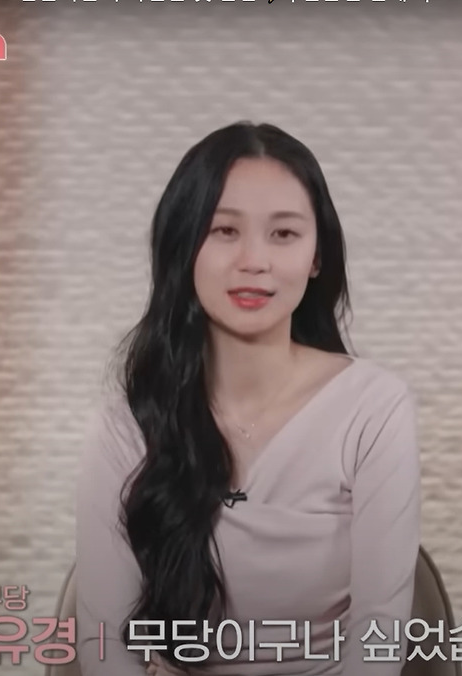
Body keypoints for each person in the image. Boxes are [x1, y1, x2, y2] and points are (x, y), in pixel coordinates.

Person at [75, 121, 422, 675]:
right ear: (184, 247)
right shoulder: (128, 425)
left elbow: (379, 638)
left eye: (283, 234)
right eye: (224, 230)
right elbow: (104, 644)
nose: (254, 260)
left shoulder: (373, 408)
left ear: (316, 256)